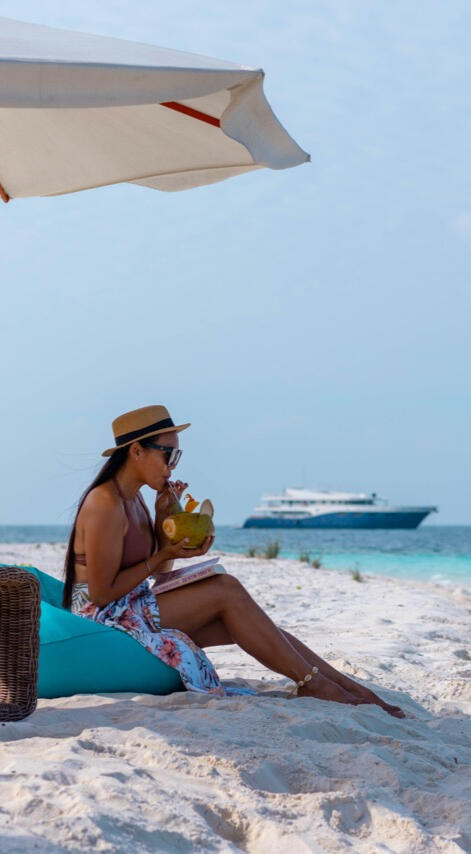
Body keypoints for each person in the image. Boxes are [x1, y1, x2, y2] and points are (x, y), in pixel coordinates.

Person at [63, 404, 404, 716]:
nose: (173, 466)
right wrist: (164, 553)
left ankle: (344, 686)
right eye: (168, 454)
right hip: (102, 617)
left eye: (177, 456)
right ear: (136, 451)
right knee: (226, 589)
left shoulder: (137, 499)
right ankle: (318, 686)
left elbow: (158, 574)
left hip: (131, 605)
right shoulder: (105, 503)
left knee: (254, 624)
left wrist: (164, 522)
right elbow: (102, 594)